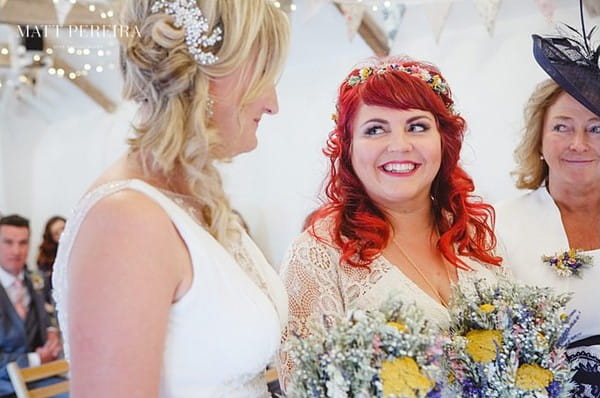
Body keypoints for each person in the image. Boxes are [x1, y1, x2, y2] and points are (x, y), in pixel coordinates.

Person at [51, 1, 289, 397]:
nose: (273, 103)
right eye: (263, 73)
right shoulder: (126, 220)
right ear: (207, 77)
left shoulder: (193, 200)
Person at [278, 56, 503, 388]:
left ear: (444, 140)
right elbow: (305, 385)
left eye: (417, 126)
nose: (400, 145)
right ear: (348, 147)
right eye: (375, 129)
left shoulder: (472, 234)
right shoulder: (316, 254)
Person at [494, 7, 600, 395]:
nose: (579, 143)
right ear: (538, 139)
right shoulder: (500, 224)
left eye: (596, 128)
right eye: (562, 127)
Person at [0, 215, 65, 397]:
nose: (16, 250)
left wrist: (52, 335)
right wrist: (36, 359)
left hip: (42, 377)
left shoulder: (38, 281)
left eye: (23, 243)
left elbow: (50, 315)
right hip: (5, 385)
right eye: (8, 242)